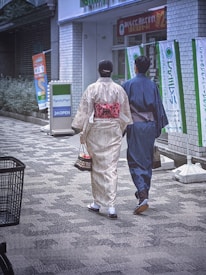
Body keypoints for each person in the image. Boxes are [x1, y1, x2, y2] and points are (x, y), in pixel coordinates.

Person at [72, 60, 133, 219]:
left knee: (97, 167)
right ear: (111, 71)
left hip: (96, 130)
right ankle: (111, 206)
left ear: (99, 70)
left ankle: (97, 203)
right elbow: (126, 113)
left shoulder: (92, 88)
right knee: (111, 167)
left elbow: (85, 112)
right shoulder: (119, 89)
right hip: (113, 129)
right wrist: (120, 127)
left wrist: (80, 129)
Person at [122, 56, 168, 215]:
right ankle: (143, 191)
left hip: (135, 126)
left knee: (134, 159)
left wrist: (120, 129)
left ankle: (142, 193)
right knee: (147, 159)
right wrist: (157, 128)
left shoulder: (128, 84)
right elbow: (157, 107)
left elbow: (123, 108)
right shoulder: (152, 85)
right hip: (149, 125)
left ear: (135, 67)